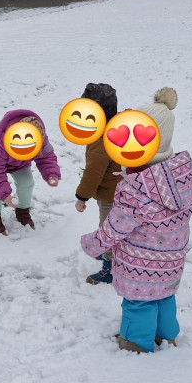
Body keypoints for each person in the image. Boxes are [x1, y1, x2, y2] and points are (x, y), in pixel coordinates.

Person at [81, 88, 192, 353]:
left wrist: (92, 244)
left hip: (140, 265)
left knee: (139, 303)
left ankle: (135, 342)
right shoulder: (180, 176)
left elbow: (114, 228)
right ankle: (167, 336)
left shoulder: (136, 188)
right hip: (171, 260)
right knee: (165, 297)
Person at [0, 109, 61, 235]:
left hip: (18, 160)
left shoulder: (39, 137)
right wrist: (6, 196)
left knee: (27, 182)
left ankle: (22, 212)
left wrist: (51, 174)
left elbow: (46, 156)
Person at [72, 83, 124, 285]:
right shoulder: (120, 125)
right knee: (117, 226)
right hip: (123, 189)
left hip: (111, 194)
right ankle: (107, 251)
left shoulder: (101, 139)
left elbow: (94, 172)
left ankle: (108, 269)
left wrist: (82, 197)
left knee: (109, 228)